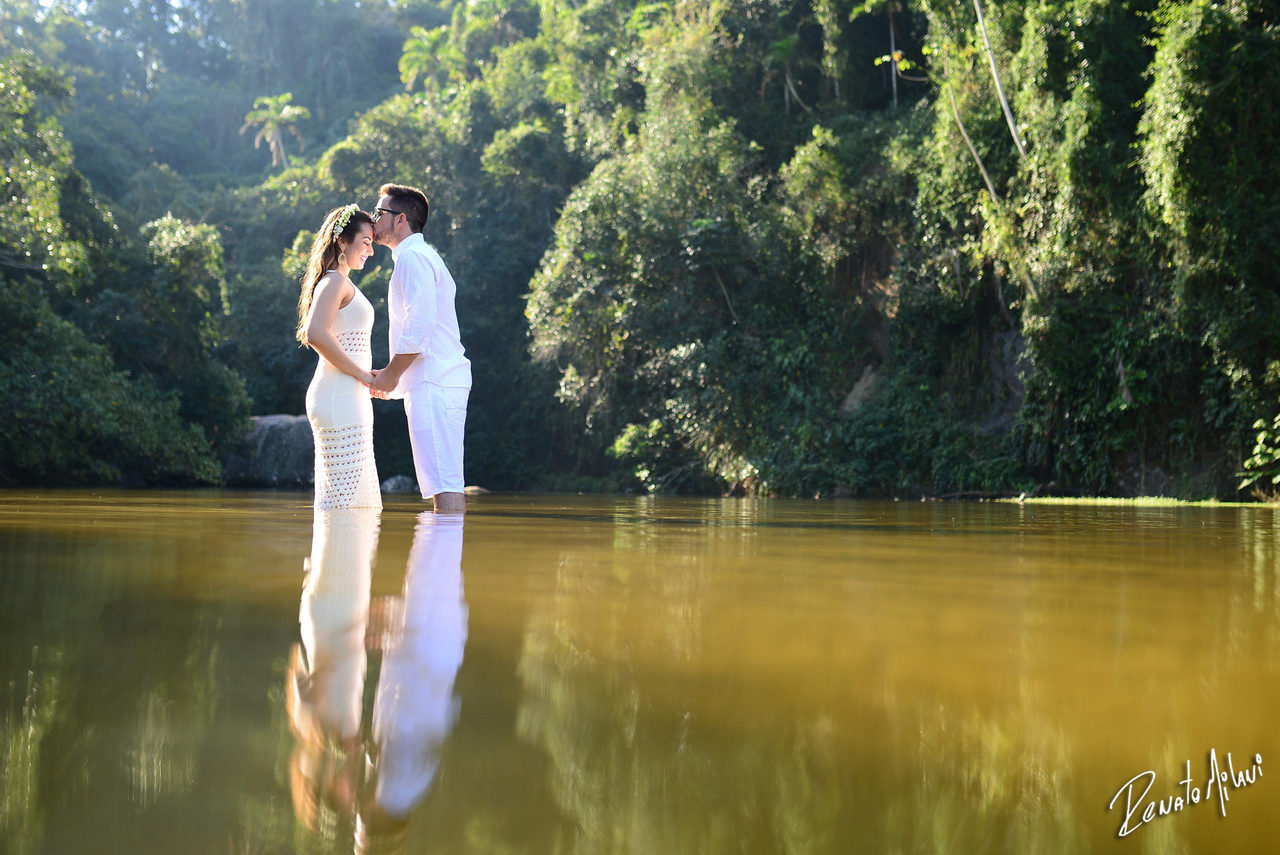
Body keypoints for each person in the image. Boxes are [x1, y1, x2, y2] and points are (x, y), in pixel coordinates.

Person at [367, 184, 471, 513]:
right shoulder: (417, 257)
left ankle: (444, 564)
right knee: (442, 481)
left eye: (378, 213)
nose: (372, 220)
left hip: (435, 382)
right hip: (435, 381)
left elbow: (420, 326)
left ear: (400, 220)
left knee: (444, 482)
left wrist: (389, 376)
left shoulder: (413, 257)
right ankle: (444, 562)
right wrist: (394, 384)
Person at [298, 204, 381, 510]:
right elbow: (315, 333)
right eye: (366, 242)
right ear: (343, 241)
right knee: (344, 501)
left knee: (348, 498)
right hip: (338, 395)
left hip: (346, 393)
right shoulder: (334, 281)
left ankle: (333, 556)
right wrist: (361, 374)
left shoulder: (340, 282)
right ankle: (334, 555)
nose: (370, 252)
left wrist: (367, 374)